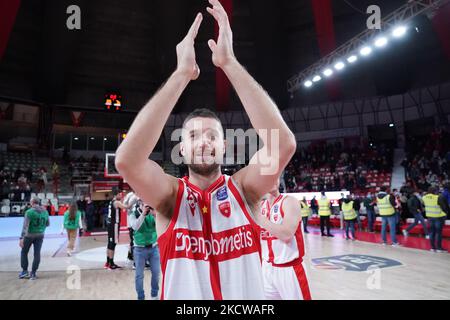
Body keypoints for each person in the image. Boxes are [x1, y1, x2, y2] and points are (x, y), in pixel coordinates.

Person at [115, 0, 296, 300]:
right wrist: (181, 74)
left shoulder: (245, 189)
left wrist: (229, 64)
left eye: (212, 136)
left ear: (224, 146)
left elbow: (283, 145)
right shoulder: (169, 197)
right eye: (194, 136)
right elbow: (128, 161)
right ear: (182, 147)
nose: (203, 142)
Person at [256, 180, 311, 300]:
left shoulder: (289, 202)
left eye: (277, 175)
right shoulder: (260, 206)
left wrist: (260, 219)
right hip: (267, 268)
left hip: (289, 269)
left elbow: (287, 235)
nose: (274, 179)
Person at [129, 199, 161, 300]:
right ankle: (140, 297)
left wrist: (155, 215)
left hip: (154, 247)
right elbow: (135, 227)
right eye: (145, 204)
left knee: (156, 273)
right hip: (139, 249)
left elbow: (160, 227)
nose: (147, 206)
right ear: (140, 205)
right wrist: (143, 214)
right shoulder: (133, 214)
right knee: (139, 275)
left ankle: (154, 295)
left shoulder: (153, 213)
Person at [19, 197, 49, 280]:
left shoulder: (29, 212)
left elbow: (25, 227)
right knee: (37, 254)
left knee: (24, 252)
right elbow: (47, 224)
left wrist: (21, 238)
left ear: (32, 202)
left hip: (29, 235)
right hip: (40, 235)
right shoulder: (45, 211)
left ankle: (25, 272)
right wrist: (40, 229)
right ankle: (33, 273)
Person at [105, 191, 131, 270]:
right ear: (115, 195)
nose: (121, 196)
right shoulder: (116, 202)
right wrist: (134, 200)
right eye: (120, 194)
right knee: (113, 244)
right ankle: (111, 263)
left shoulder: (111, 201)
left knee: (110, 243)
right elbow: (126, 207)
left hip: (110, 224)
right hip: (114, 225)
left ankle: (108, 262)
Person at [423, 186, 448, 253]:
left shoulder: (424, 197)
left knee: (431, 232)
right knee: (438, 233)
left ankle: (433, 248)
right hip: (438, 217)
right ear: (435, 191)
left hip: (429, 217)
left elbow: (423, 206)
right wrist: (445, 213)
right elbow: (444, 207)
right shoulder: (438, 197)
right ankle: (439, 248)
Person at [123, 191, 139, 263]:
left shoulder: (130, 195)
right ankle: (134, 259)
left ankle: (130, 256)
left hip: (132, 221)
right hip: (133, 222)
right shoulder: (134, 197)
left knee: (132, 240)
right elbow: (126, 206)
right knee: (134, 241)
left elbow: (125, 206)